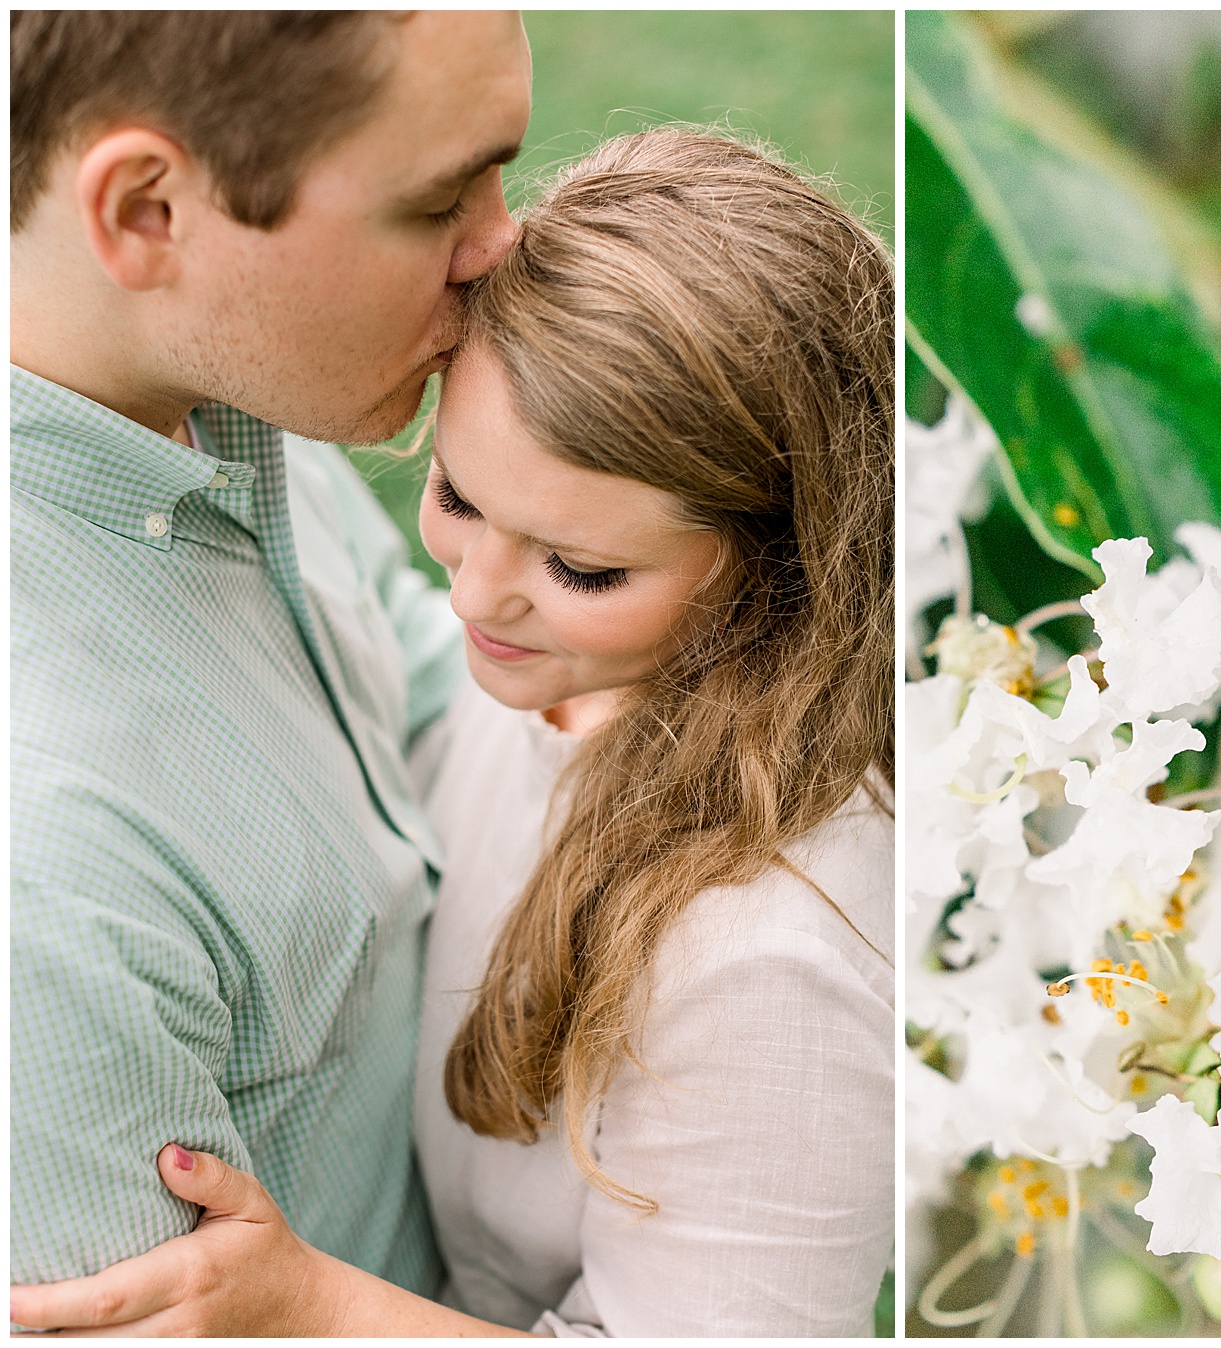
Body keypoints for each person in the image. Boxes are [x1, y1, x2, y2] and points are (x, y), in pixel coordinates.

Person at [10, 130, 897, 1336]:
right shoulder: (571, 681)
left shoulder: (769, 959)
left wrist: (311, 1306)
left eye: (581, 565)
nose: (475, 595)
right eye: (457, 495)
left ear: (777, 565)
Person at [9, 9, 530, 1295]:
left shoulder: (228, 392)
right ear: (147, 213)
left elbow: (426, 680)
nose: (503, 241)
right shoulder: (47, 880)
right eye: (434, 203)